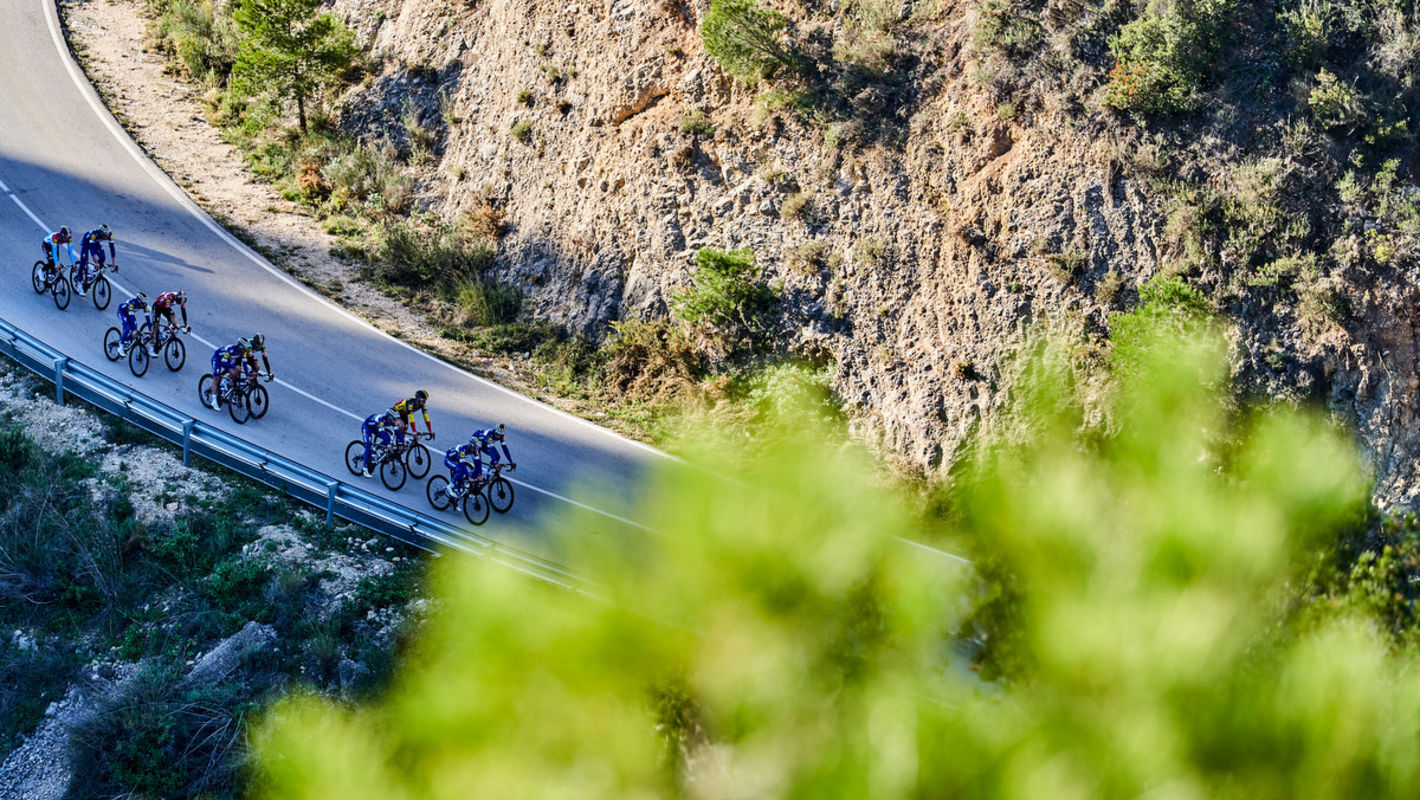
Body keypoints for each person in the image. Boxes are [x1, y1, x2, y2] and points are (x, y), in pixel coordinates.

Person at [75, 225, 116, 296]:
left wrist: (114, 264)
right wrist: (96, 263)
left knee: (102, 257)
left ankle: (93, 271)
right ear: (101, 233)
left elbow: (112, 250)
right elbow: (92, 251)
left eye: (107, 235)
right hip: (86, 242)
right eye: (104, 235)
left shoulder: (110, 235)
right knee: (83, 261)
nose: (106, 237)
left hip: (96, 243)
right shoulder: (94, 234)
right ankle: (79, 284)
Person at [360, 410, 400, 478]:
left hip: (375, 428)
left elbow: (397, 432)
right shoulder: (380, 419)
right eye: (395, 419)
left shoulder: (392, 421)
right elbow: (382, 433)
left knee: (388, 438)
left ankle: (374, 450)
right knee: (368, 445)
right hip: (367, 427)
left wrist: (403, 442)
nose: (396, 421)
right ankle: (365, 469)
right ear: (389, 418)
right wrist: (388, 444)